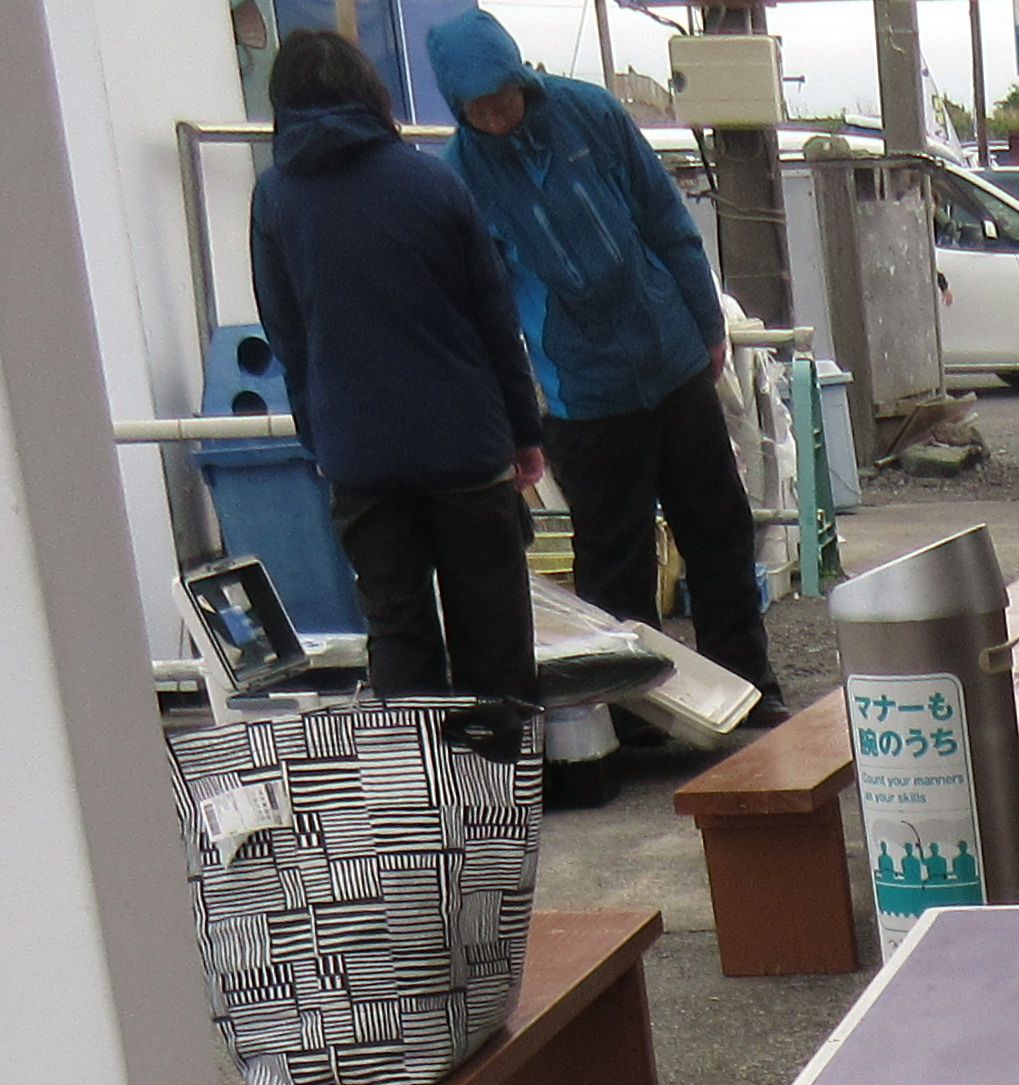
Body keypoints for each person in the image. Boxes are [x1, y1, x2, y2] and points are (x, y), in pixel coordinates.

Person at [417, 6, 778, 711]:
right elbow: (486, 306)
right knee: (615, 565)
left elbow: (666, 219)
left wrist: (707, 326)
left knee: (720, 533)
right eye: (479, 108)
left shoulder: (590, 113)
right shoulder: (459, 176)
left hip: (671, 358)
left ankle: (751, 688)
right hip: (582, 392)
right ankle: (639, 716)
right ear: (458, 109)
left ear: (522, 78)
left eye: (504, 96)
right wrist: (514, 412)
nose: (497, 115)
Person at [247, 25, 545, 703]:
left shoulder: (275, 198)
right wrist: (524, 431)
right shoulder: (433, 181)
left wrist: (321, 439)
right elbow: (494, 318)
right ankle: (503, 765)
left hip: (361, 454)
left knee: (397, 628)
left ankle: (414, 766)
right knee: (493, 626)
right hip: (465, 442)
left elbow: (287, 334)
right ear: (369, 92)